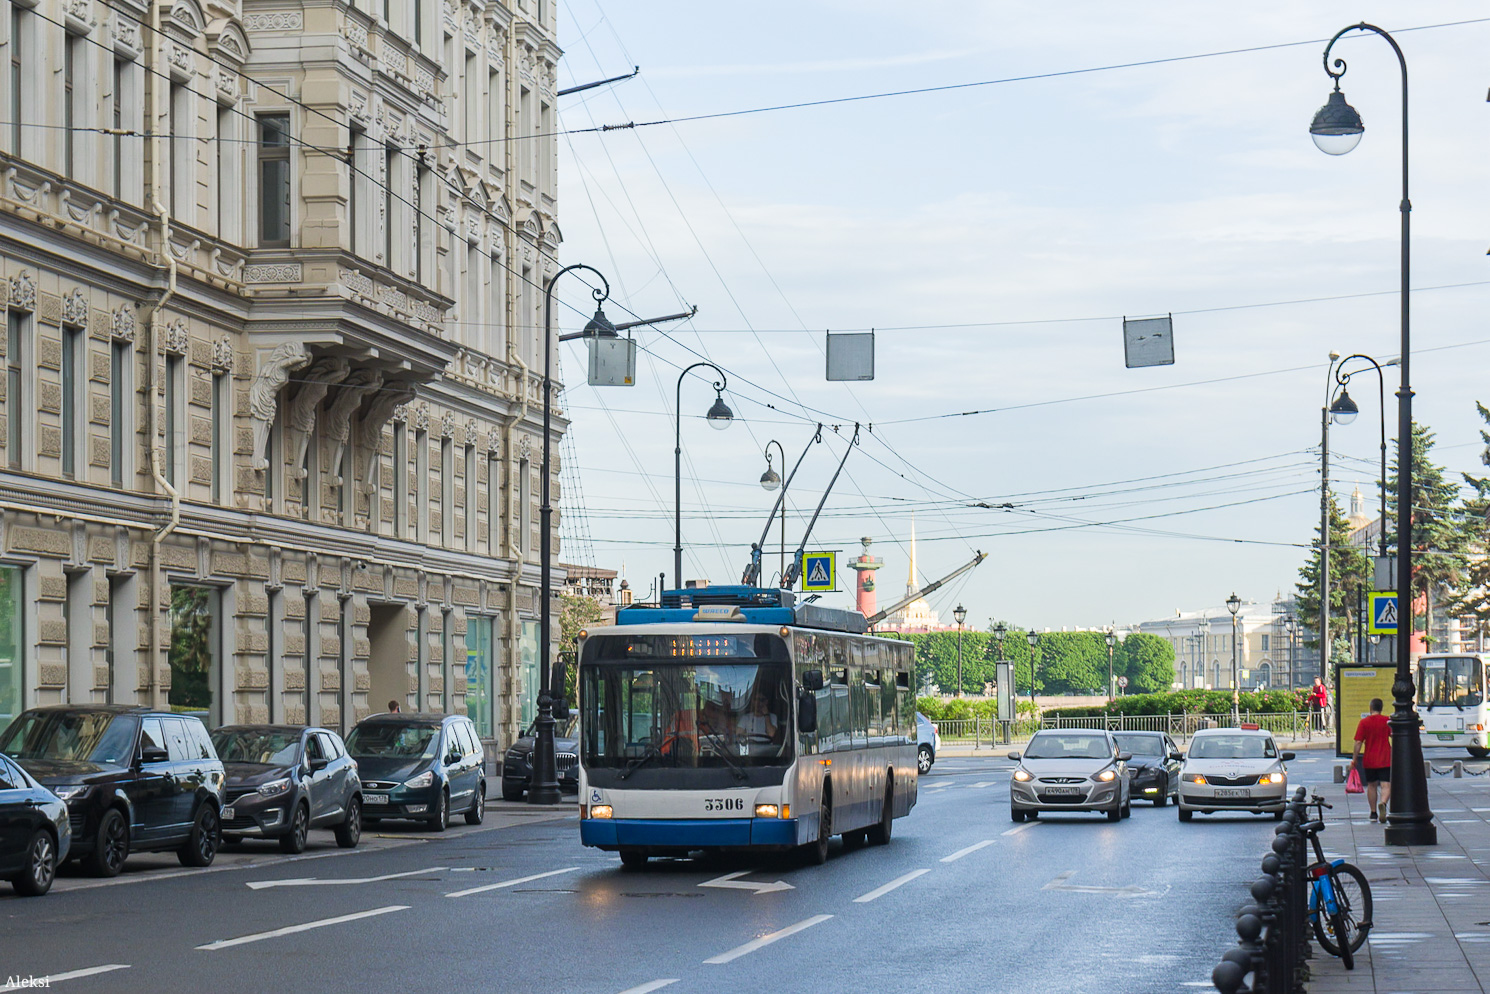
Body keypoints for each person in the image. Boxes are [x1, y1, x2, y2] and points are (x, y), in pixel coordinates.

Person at [1352, 697, 1392, 822]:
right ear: (1381, 708)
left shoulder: (1364, 722)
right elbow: (1395, 737)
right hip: (1385, 757)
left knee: (1371, 785)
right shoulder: (1387, 721)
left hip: (1369, 759)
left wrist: (1354, 759)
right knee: (1386, 785)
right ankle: (1384, 803)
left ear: (1370, 708)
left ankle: (1373, 812)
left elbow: (1358, 742)